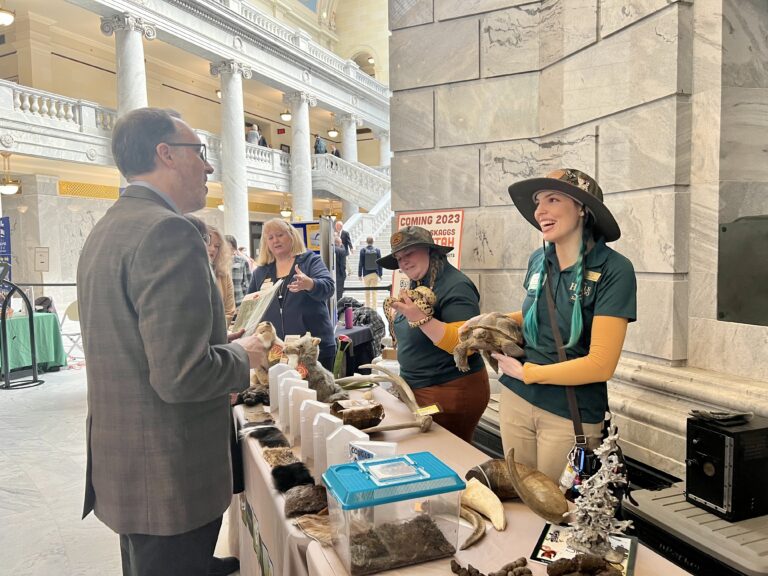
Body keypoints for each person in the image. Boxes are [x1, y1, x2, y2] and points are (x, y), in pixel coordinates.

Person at [77, 107, 266, 576]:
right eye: (199, 153)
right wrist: (245, 354)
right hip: (168, 473)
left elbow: (140, 344)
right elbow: (182, 375)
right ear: (165, 154)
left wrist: (222, 339)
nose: (206, 166)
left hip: (128, 463)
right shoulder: (169, 231)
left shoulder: (107, 228)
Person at [466, 168, 637, 482]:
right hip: (516, 398)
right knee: (521, 494)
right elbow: (538, 313)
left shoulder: (614, 270)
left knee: (557, 510)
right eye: (537, 202)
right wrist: (491, 321)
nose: (539, 211)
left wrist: (529, 372)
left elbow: (601, 365)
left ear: (582, 209)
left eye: (553, 199)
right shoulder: (538, 260)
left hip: (567, 412)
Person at [377, 226, 489, 442]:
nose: (404, 263)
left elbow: (466, 345)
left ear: (430, 251)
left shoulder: (456, 285)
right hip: (420, 388)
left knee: (448, 455)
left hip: (450, 391)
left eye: (409, 254)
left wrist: (421, 319)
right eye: (399, 258)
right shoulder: (420, 282)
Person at [244, 218, 337, 370]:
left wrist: (310, 284)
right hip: (277, 351)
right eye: (271, 237)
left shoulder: (310, 261)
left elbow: (329, 288)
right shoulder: (260, 272)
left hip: (313, 348)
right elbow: (249, 308)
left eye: (280, 235)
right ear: (266, 243)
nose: (276, 240)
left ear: (292, 236)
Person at [207, 225, 236, 325]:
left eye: (217, 246)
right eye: (209, 243)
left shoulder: (224, 274)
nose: (213, 249)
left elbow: (229, 311)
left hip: (220, 334)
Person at [226, 234, 252, 307]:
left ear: (234, 249)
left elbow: (248, 285)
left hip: (239, 304)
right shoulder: (217, 263)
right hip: (224, 307)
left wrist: (247, 304)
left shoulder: (242, 262)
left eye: (228, 248)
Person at [358, 236, 382, 309]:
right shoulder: (377, 250)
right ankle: (374, 308)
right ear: (373, 242)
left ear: (366, 242)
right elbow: (380, 263)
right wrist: (380, 274)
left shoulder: (363, 250)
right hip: (375, 273)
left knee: (367, 292)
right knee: (374, 292)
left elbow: (361, 263)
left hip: (366, 274)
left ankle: (367, 307)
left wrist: (360, 274)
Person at [334, 233, 347, 304]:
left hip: (331, 276)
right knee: (338, 297)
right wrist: (344, 276)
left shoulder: (330, 249)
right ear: (339, 243)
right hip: (339, 277)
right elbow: (343, 265)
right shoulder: (341, 251)